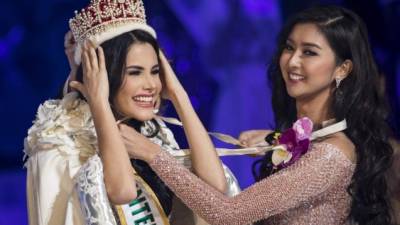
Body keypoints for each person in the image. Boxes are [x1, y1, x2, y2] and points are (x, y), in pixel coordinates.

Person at [119, 5, 394, 224]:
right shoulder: (310, 136)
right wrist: (276, 140)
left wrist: (153, 154)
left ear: (342, 69)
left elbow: (228, 214)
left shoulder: (329, 156)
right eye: (289, 47)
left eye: (309, 52)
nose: (292, 61)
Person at [24, 1, 240, 225]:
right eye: (135, 72)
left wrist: (178, 94)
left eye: (155, 72)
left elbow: (216, 185)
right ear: (104, 75)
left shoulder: (149, 130)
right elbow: (123, 191)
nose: (151, 85)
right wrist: (99, 102)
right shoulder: (62, 138)